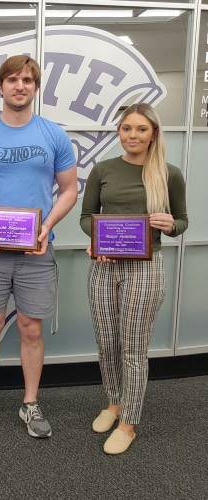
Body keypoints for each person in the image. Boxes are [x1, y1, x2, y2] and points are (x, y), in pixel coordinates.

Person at [0, 55, 77, 438]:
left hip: (37, 250)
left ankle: (30, 403)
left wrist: (48, 225)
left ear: (35, 87)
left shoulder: (53, 134)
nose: (19, 86)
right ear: (1, 86)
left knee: (30, 328)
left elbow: (70, 188)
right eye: (12, 79)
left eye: (27, 79)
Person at [80, 103, 188, 455]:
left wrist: (171, 225)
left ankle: (129, 421)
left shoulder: (168, 174)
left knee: (133, 349)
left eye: (141, 129)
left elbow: (182, 221)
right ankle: (113, 403)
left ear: (153, 133)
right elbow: (86, 216)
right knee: (107, 342)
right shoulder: (103, 169)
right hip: (105, 265)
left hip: (146, 267)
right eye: (127, 128)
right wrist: (96, 242)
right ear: (119, 132)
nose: (133, 135)